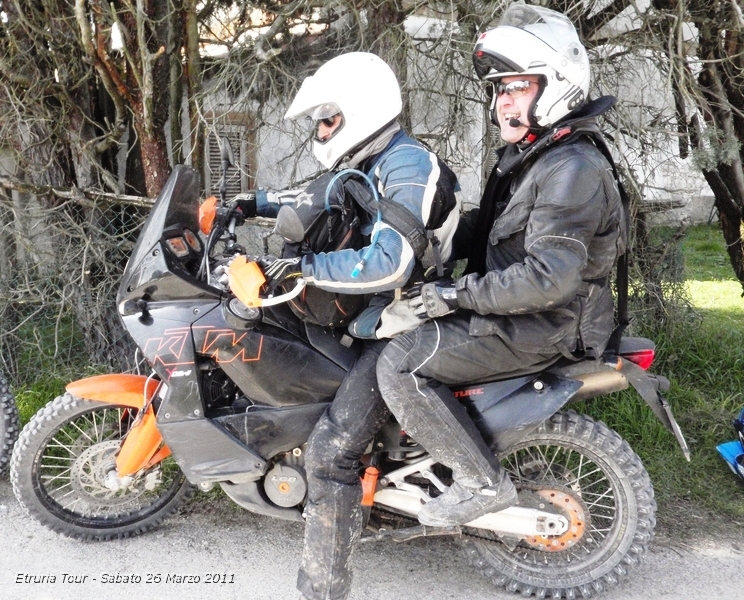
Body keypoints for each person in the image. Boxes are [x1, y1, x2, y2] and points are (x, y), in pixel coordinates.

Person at [376, 4, 627, 528]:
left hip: (542, 324)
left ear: (555, 85)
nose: (503, 101)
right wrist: (416, 237)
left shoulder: (572, 167)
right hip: (521, 312)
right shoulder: (537, 156)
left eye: (517, 87)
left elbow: (549, 277)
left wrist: (454, 294)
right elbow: (489, 229)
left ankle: (480, 482)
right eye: (498, 89)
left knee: (400, 362)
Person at [261, 52, 459, 600]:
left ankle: (322, 589)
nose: (322, 130)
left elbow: (389, 264)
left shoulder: (407, 166)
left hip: (403, 322)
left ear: (360, 111)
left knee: (329, 452)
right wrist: (241, 203)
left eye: (328, 119)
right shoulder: (369, 162)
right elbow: (312, 196)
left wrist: (302, 268)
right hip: (372, 315)